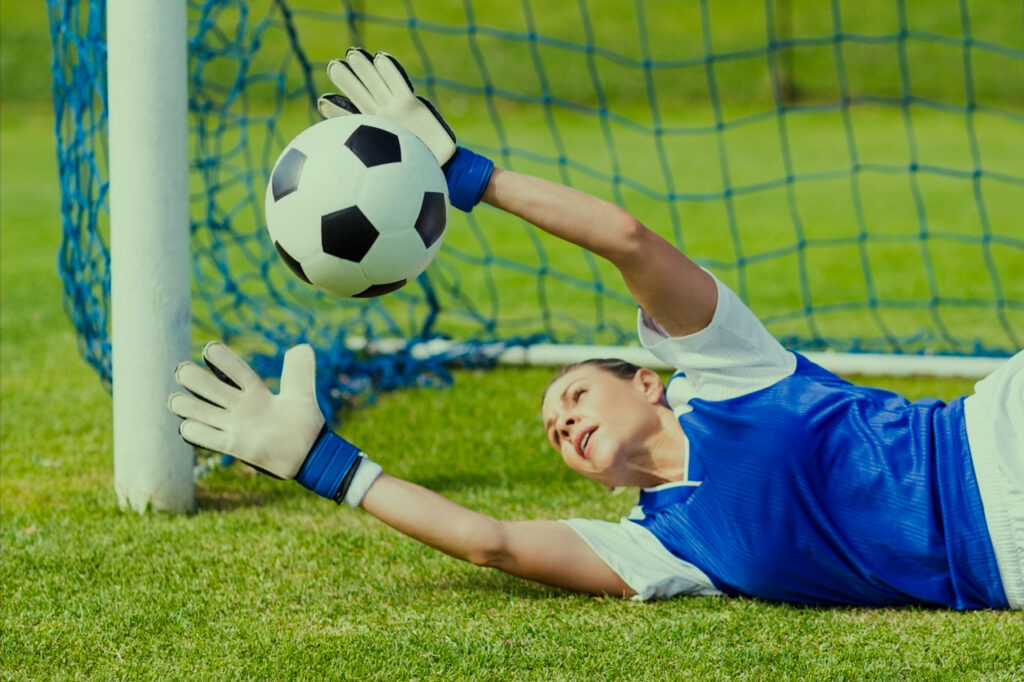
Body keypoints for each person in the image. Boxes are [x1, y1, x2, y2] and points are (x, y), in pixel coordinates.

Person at [168, 48, 1023, 610]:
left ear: (649, 379)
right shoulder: (663, 548)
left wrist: (469, 175)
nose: (563, 421)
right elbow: (491, 543)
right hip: (1003, 569)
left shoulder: (730, 372)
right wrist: (321, 462)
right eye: (553, 428)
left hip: (994, 438)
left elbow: (625, 240)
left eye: (573, 393)